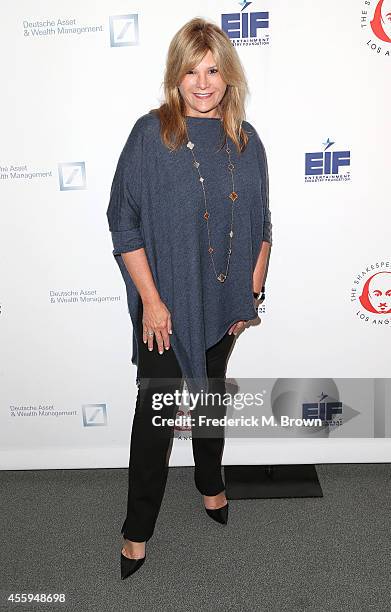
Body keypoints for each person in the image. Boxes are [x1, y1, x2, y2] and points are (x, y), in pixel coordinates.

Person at [106, 16, 272, 579]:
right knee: (153, 422)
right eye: (190, 71)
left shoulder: (247, 142)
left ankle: (210, 483)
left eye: (213, 70)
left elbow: (263, 220)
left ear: (229, 76)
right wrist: (152, 301)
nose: (203, 83)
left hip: (224, 303)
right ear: (175, 77)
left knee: (210, 400)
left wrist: (253, 287)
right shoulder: (151, 135)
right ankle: (136, 531)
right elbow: (123, 225)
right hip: (166, 309)